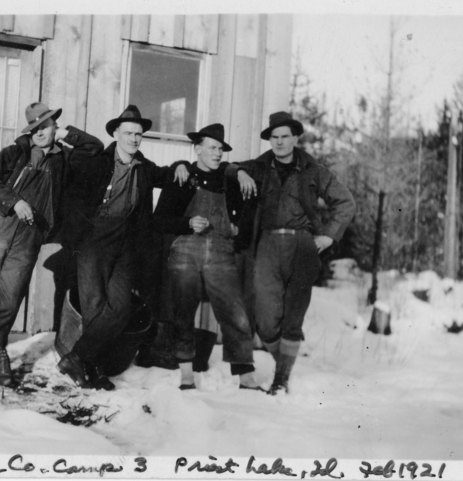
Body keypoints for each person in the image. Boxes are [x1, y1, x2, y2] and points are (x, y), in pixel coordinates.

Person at [0, 103, 104, 386]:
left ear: (55, 128)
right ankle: (1, 355)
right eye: (36, 128)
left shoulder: (64, 158)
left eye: (47, 126)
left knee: (10, 299)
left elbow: (94, 148)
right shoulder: (15, 152)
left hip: (29, 237)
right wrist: (16, 201)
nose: (41, 132)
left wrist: (69, 135)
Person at [57, 105, 189, 390]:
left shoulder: (144, 167)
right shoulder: (98, 162)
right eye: (128, 133)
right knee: (94, 306)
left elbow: (168, 175)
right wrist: (80, 235)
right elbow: (73, 198)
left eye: (139, 134)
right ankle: (96, 370)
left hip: (126, 243)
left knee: (120, 307)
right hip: (94, 239)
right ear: (116, 133)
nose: (134, 139)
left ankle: (77, 356)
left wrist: (182, 163)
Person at [229, 111, 355, 395]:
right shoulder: (259, 167)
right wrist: (239, 172)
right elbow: (227, 167)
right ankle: (285, 358)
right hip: (268, 245)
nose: (280, 142)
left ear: (296, 137)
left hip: (302, 246)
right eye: (274, 137)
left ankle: (281, 378)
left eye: (285, 136)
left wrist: (327, 236)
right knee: (265, 318)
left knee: (294, 315)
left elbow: (345, 202)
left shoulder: (314, 170)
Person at [152, 124, 262, 391]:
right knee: (183, 309)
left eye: (220, 149)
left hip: (221, 251)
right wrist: (188, 223)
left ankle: (246, 376)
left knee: (235, 312)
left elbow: (247, 216)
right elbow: (160, 220)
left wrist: (238, 229)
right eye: (212, 147)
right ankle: (187, 374)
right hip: (186, 249)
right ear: (197, 148)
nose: (217, 153)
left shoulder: (230, 181)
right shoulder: (182, 177)